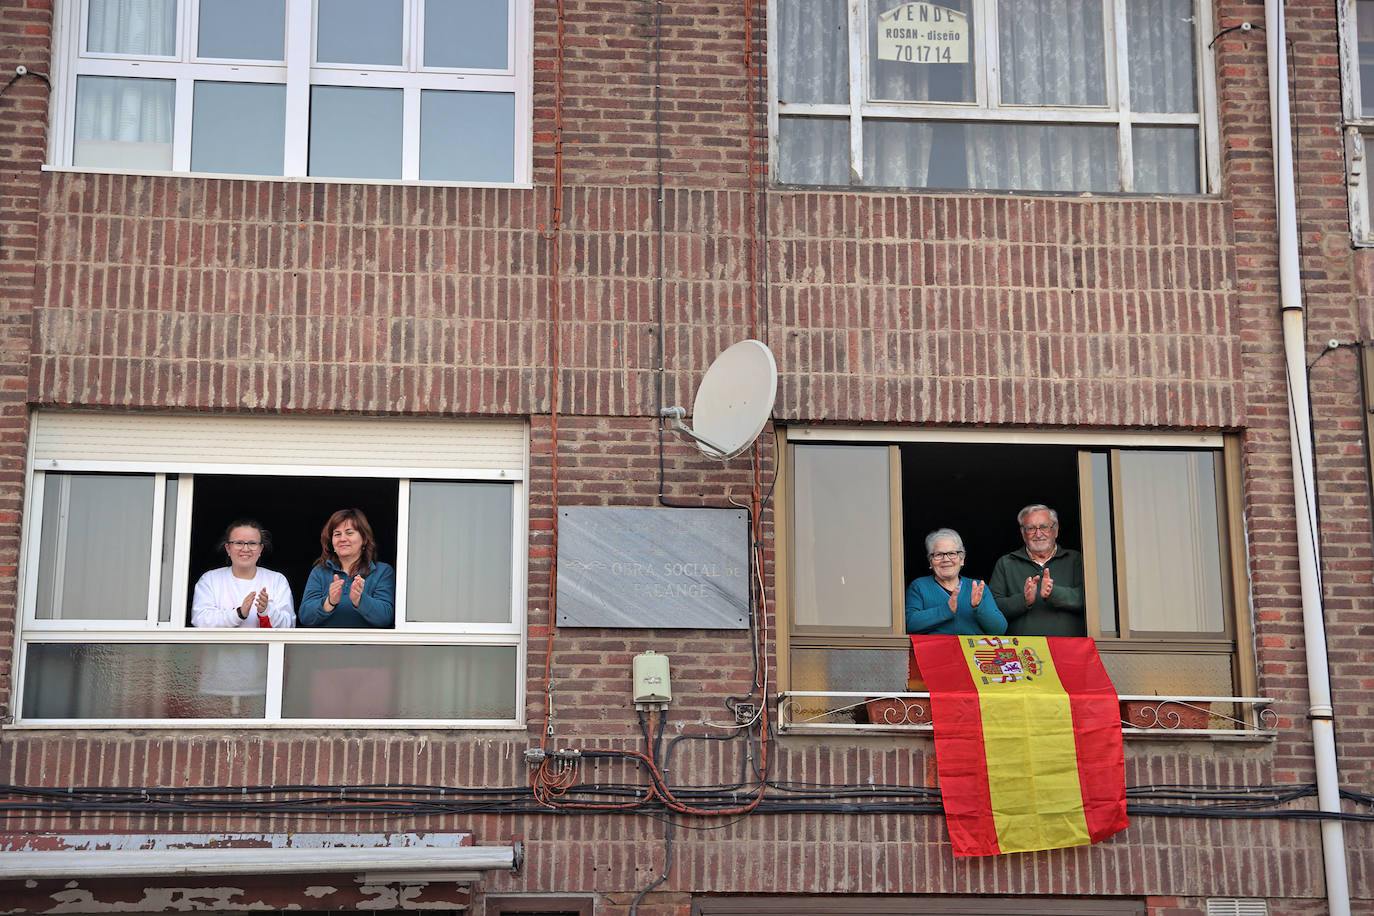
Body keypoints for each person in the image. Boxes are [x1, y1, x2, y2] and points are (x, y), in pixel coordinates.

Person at [988, 503, 1086, 636]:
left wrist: (1054, 592)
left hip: (1069, 646)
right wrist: (1023, 600)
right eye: (1031, 528)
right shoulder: (1006, 563)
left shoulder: (1075, 559)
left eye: (1044, 527)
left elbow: (1088, 600)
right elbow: (992, 608)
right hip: (1022, 647)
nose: (1038, 534)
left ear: (1055, 530)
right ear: (1023, 533)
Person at [298, 508, 395, 628]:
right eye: (337, 534)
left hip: (366, 641)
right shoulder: (319, 572)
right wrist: (330, 602)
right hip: (327, 641)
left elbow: (385, 618)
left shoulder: (382, 571)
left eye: (349, 533)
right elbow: (305, 617)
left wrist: (359, 600)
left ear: (364, 539)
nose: (343, 539)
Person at [191, 519, 296, 630]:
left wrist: (267, 610)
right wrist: (238, 614)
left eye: (252, 543)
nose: (245, 549)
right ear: (228, 548)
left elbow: (289, 625)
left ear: (260, 549)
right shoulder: (209, 579)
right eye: (239, 543)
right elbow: (200, 620)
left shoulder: (277, 580)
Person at [905, 528, 1007, 635]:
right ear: (930, 562)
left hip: (971, 646)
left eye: (952, 553)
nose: (946, 559)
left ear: (961, 559)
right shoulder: (919, 587)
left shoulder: (978, 588)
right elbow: (908, 624)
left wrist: (979, 607)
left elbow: (999, 630)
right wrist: (945, 610)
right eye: (938, 554)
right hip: (936, 646)